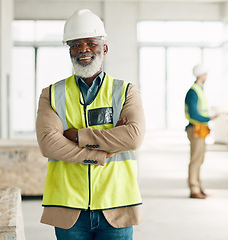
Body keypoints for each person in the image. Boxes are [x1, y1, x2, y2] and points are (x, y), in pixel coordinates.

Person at [35, 9, 145, 240]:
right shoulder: (52, 94)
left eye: (91, 43)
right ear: (69, 51)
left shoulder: (125, 92)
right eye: (75, 45)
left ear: (104, 48)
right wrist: (104, 150)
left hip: (117, 204)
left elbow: (133, 137)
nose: (83, 50)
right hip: (68, 207)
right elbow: (48, 144)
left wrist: (78, 136)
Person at [184, 64, 217, 199]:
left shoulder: (199, 90)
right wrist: (209, 118)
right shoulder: (193, 91)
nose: (207, 76)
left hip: (201, 130)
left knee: (200, 159)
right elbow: (193, 114)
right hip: (195, 129)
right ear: (201, 75)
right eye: (206, 74)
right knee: (195, 160)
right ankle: (194, 188)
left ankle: (198, 186)